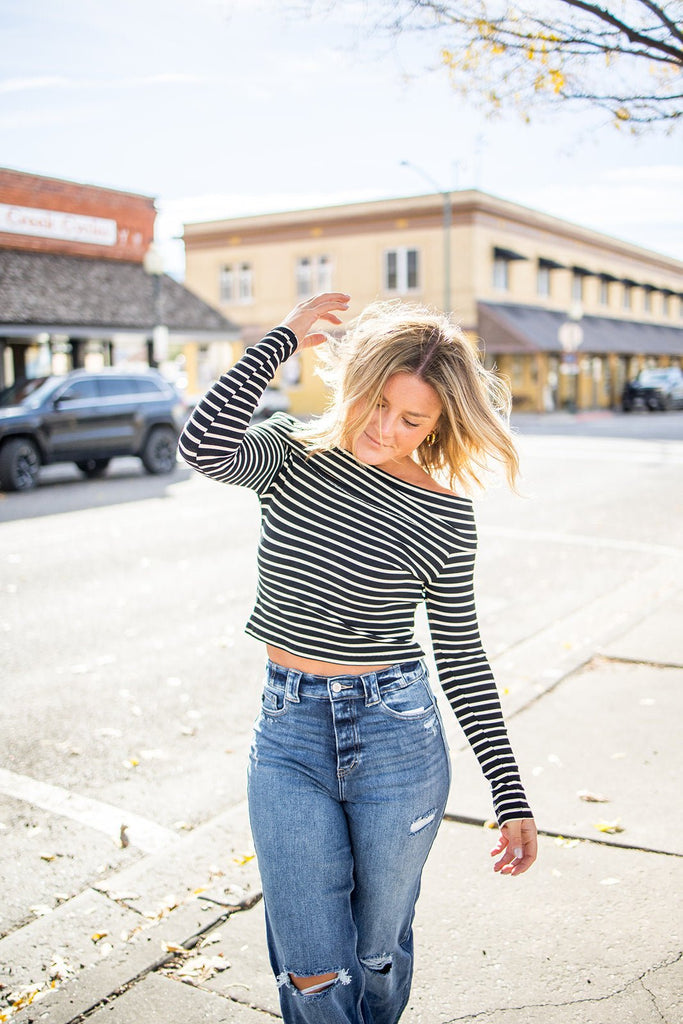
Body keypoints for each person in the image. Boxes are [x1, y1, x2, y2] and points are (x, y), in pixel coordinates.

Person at [178, 292, 537, 1024]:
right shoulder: (291, 452)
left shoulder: (445, 513)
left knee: (376, 950)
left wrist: (510, 792)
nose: (385, 429)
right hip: (289, 737)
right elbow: (204, 446)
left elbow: (462, 656)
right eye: (376, 405)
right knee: (312, 969)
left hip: (396, 738)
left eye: (412, 421)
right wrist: (279, 339)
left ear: (441, 426)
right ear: (355, 384)